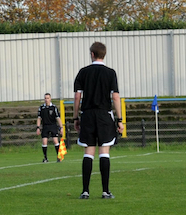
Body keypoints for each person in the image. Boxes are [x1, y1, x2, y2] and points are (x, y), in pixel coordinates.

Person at [72, 41, 123, 199]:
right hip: (104, 115)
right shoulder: (110, 73)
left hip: (87, 114)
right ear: (104, 54)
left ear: (92, 54)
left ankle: (85, 191)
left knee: (88, 152)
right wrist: (120, 119)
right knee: (104, 152)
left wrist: (75, 117)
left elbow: (77, 96)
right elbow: (115, 96)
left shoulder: (83, 72)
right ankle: (105, 191)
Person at [36, 93, 63, 163]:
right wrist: (38, 127)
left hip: (53, 126)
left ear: (50, 99)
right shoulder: (41, 108)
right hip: (45, 126)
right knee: (44, 141)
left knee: (55, 141)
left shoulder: (54, 107)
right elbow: (39, 118)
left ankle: (58, 157)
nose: (46, 99)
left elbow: (58, 118)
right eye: (45, 98)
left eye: (48, 98)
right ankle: (45, 158)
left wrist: (61, 127)